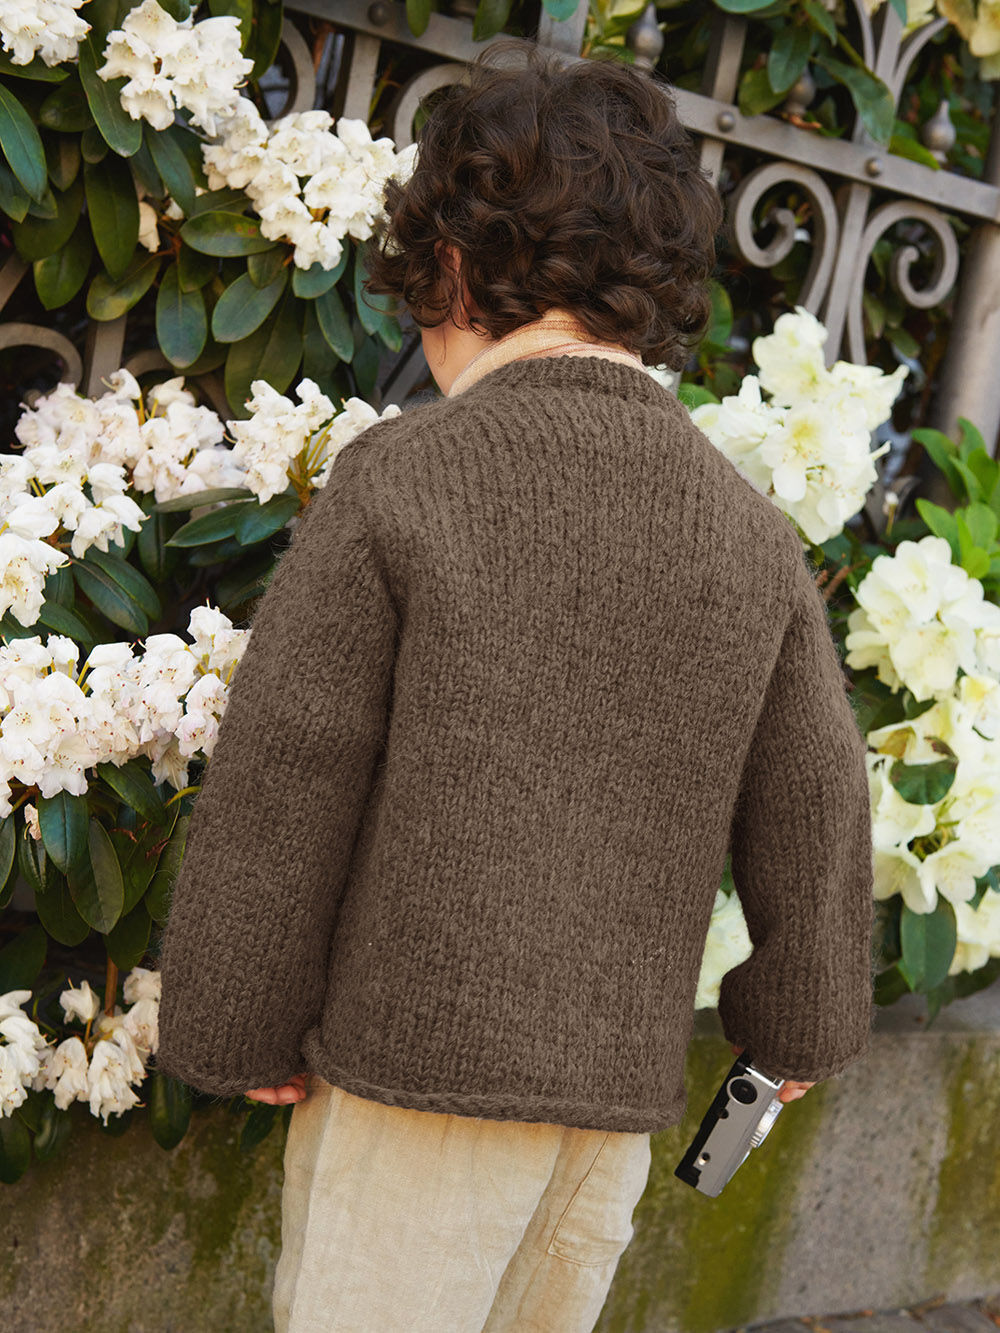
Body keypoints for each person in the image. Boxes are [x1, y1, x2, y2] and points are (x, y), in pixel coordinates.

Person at [153, 36, 876, 1333]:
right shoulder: (748, 532)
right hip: (607, 1102)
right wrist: (799, 1023)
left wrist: (240, 1018)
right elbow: (817, 802)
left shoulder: (402, 480)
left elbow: (289, 774)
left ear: (448, 264)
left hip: (411, 1078)